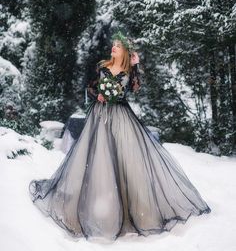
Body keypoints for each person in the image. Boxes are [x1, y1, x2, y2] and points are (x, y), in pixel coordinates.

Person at [29, 31, 211, 241]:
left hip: (122, 117)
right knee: (98, 158)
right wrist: (98, 92)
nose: (113, 48)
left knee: (125, 159)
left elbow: (136, 88)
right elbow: (90, 86)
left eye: (118, 45)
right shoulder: (103, 67)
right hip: (100, 116)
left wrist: (135, 66)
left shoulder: (128, 70)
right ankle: (96, 208)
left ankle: (126, 207)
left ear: (125, 51)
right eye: (113, 45)